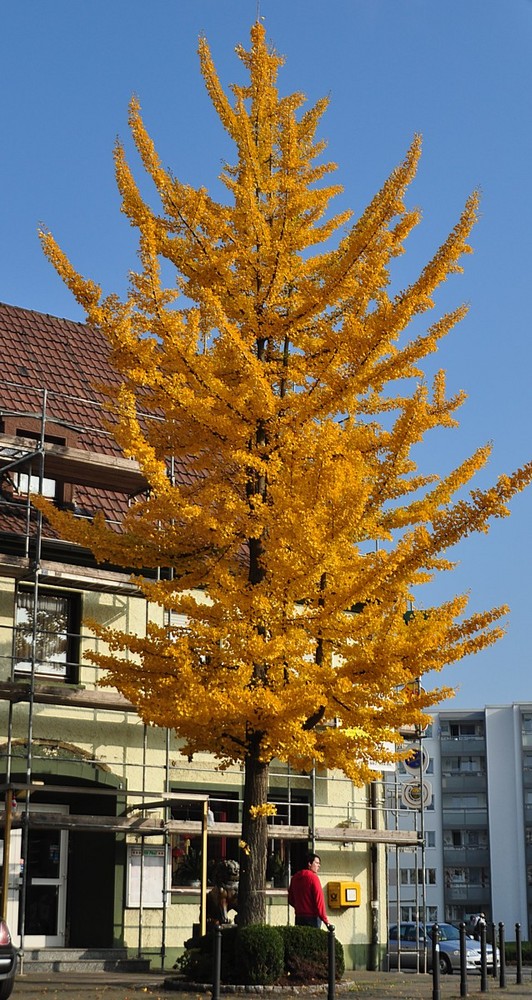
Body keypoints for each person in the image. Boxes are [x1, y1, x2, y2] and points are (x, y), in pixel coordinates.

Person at [288, 852, 329, 928]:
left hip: (299, 917)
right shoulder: (313, 878)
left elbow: (290, 899)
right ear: (309, 864)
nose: (318, 865)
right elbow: (319, 900)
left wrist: (299, 907)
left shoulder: (294, 878)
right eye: (316, 863)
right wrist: (325, 920)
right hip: (312, 917)